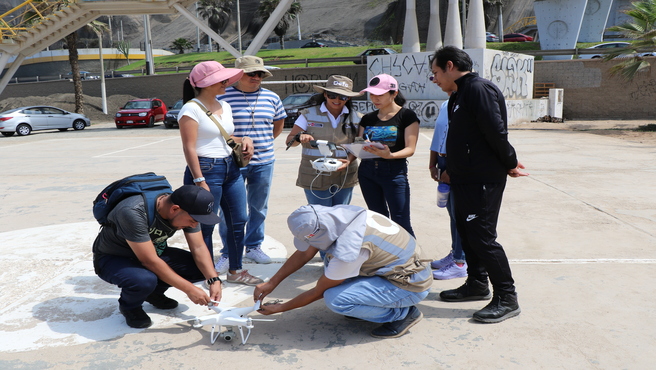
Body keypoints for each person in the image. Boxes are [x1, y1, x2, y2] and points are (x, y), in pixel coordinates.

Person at [430, 46, 529, 323]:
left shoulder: (478, 89)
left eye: (436, 73)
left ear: (450, 66)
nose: (435, 79)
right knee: (466, 232)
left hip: (482, 178)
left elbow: (495, 131)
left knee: (483, 237)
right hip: (463, 177)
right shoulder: (458, 95)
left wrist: (509, 161)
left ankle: (507, 298)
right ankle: (476, 283)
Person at [253, 204, 432, 339]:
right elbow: (305, 252)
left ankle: (404, 314)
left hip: (409, 285)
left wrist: (281, 308)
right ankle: (370, 302)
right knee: (330, 266)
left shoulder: (350, 247)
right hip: (399, 268)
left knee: (336, 299)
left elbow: (318, 292)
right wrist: (272, 282)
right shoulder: (339, 216)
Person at [178, 61, 263, 286]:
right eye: (221, 79)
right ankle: (208, 274)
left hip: (230, 168)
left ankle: (235, 271)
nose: (226, 83)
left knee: (239, 220)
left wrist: (245, 138)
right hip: (206, 169)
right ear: (206, 83)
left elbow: (223, 137)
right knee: (206, 224)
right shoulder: (191, 109)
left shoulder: (225, 106)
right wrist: (199, 180)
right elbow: (189, 147)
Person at [92, 185, 224, 329]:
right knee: (144, 280)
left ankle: (153, 294)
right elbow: (149, 261)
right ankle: (130, 307)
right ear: (175, 209)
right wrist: (190, 289)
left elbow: (198, 247)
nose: (195, 224)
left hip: (152, 253)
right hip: (114, 257)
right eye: (193, 220)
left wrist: (213, 279)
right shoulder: (132, 211)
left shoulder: (188, 209)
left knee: (199, 269)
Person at [215, 56, 287, 270]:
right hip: (232, 162)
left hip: (264, 162)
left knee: (258, 207)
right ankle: (228, 252)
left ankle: (254, 246)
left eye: (260, 74)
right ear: (238, 75)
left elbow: (277, 126)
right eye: (251, 73)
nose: (257, 77)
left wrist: (260, 144)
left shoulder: (272, 97)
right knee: (230, 209)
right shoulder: (223, 97)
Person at [357, 74, 420, 237]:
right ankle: (385, 256)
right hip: (367, 172)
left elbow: (410, 149)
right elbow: (358, 144)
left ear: (394, 94)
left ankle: (410, 258)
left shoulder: (407, 116)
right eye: (372, 94)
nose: (375, 98)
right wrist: (348, 157)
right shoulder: (367, 118)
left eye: (380, 94)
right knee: (378, 219)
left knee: (401, 220)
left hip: (394, 172)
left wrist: (390, 155)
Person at [285, 75, 363, 206]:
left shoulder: (358, 118)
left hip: (344, 175)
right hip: (314, 174)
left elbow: (359, 144)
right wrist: (299, 137)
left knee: (341, 216)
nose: (337, 100)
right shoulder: (307, 114)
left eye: (342, 97)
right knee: (321, 217)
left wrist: (348, 161)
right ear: (325, 94)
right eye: (332, 95)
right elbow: (289, 142)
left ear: (348, 98)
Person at [428, 92, 467, 280]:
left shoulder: (467, 104)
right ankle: (456, 252)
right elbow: (438, 136)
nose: (436, 80)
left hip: (457, 165)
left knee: (460, 213)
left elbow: (466, 143)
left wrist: (451, 169)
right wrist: (433, 163)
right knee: (452, 213)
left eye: (437, 74)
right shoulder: (446, 104)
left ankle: (460, 262)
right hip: (444, 162)